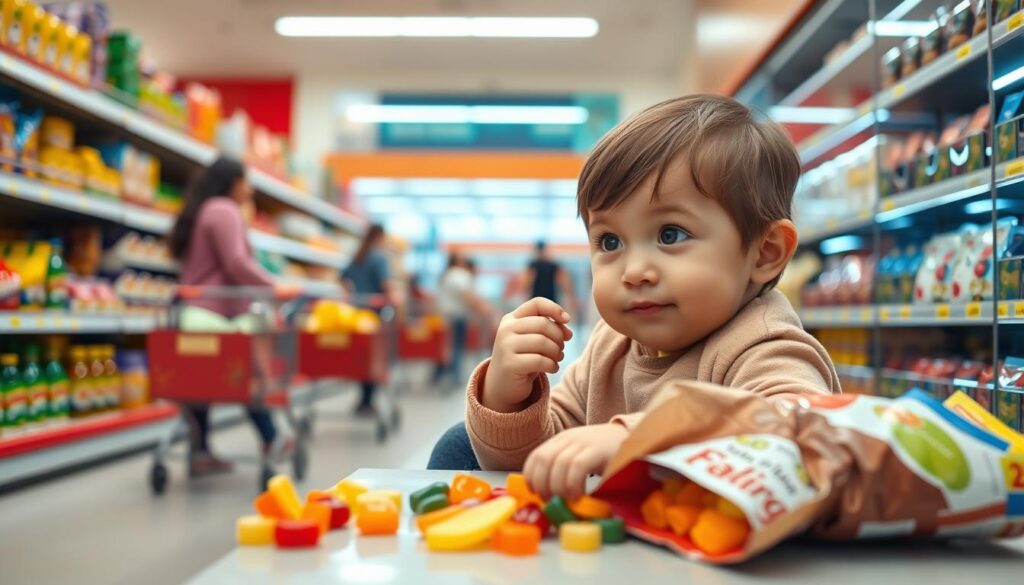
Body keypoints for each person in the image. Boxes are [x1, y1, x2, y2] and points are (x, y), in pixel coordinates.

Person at [428, 95, 841, 494]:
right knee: (458, 446)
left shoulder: (762, 343)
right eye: (609, 242)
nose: (634, 271)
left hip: (713, 553)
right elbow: (543, 463)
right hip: (617, 553)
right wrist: (505, 397)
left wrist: (640, 438)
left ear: (764, 253)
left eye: (670, 234)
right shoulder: (612, 346)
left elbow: (804, 434)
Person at [169, 157, 282, 476]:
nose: (251, 188)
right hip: (214, 315)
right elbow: (235, 263)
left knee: (201, 383)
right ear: (233, 181)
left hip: (196, 316)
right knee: (243, 375)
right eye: (247, 180)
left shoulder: (205, 209)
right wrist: (274, 286)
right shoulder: (224, 210)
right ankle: (270, 437)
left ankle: (201, 449)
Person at [342, 223, 393, 416]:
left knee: (361, 358)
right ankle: (367, 401)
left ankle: (363, 400)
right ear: (380, 237)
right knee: (373, 358)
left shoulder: (358, 256)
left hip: (356, 315)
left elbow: (344, 279)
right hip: (374, 316)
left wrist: (350, 298)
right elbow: (385, 284)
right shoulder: (379, 258)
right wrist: (393, 298)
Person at [433, 252, 494, 388]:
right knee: (457, 347)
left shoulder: (446, 275)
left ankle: (440, 374)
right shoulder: (459, 275)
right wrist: (484, 309)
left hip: (444, 317)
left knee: (446, 346)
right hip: (457, 316)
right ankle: (455, 377)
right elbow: (467, 295)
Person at [522, 241, 578, 315]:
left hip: (538, 300)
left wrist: (570, 297)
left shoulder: (536, 264)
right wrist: (570, 297)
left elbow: (526, 285)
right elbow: (565, 283)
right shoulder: (551, 264)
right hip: (549, 300)